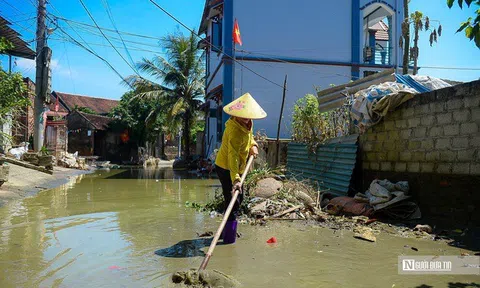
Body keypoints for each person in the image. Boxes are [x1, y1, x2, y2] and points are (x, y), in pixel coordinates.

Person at [214, 92, 267, 244]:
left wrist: (253, 145)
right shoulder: (234, 130)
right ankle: (229, 239)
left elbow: (249, 137)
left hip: (239, 166)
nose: (246, 117)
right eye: (242, 115)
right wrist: (236, 179)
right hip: (226, 167)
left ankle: (225, 232)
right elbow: (233, 155)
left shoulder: (248, 123)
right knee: (233, 200)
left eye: (248, 115)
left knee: (238, 198)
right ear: (236, 114)